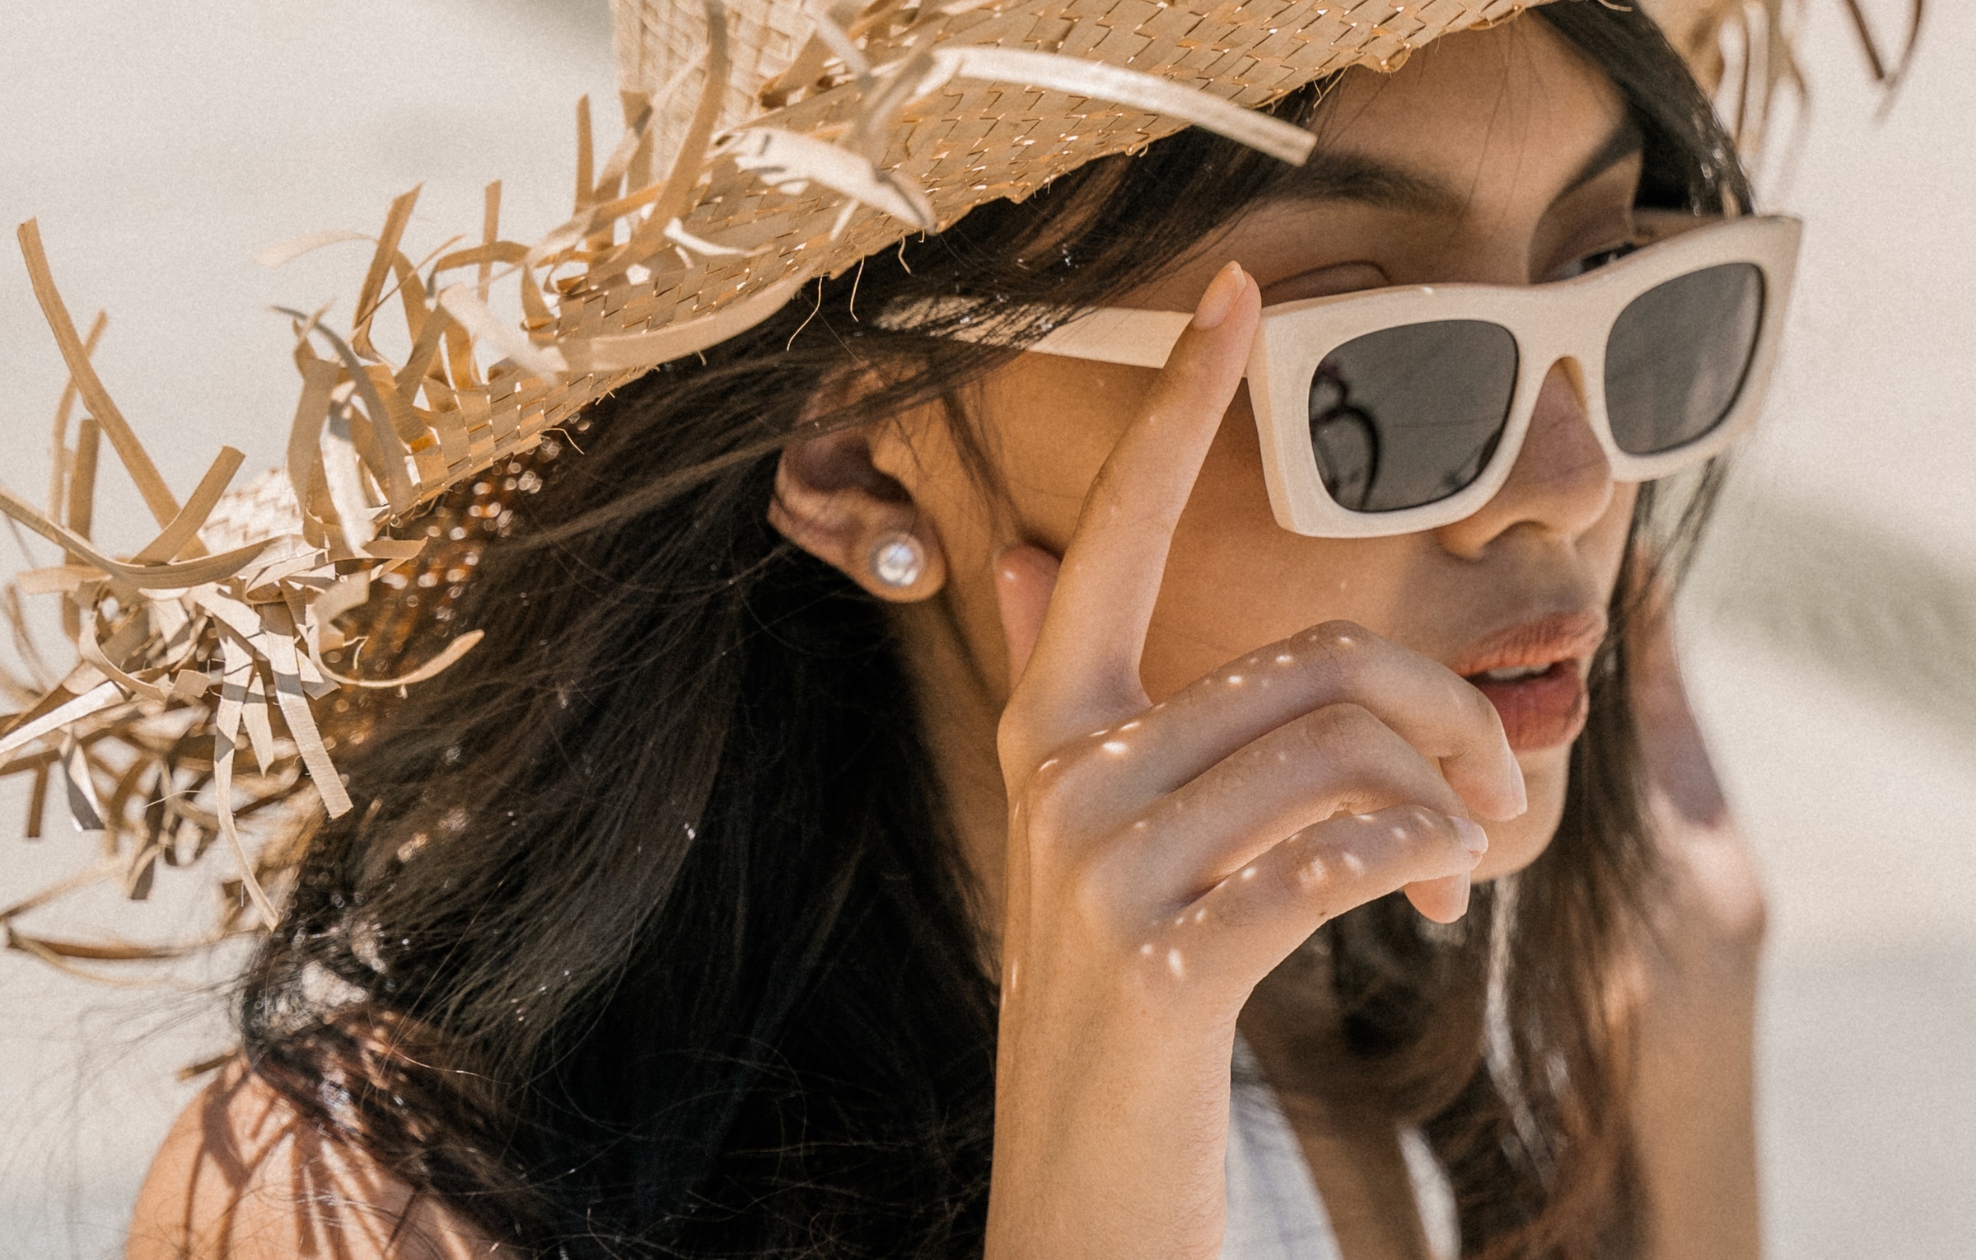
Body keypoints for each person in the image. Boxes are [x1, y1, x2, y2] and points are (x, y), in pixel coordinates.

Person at [22, 0, 1780, 1255]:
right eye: (1377, 375)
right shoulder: (363, 1206)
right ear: (866, 452)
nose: (1568, 481)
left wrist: (1688, 1044)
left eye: (1615, 280)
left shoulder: (1400, 1034)